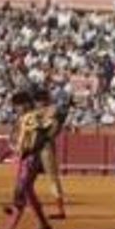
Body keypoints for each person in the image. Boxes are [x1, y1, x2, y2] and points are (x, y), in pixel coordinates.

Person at [0, 90, 53, 229]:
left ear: (25, 104)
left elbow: (40, 135)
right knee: (27, 192)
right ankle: (44, 224)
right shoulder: (27, 117)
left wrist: (30, 150)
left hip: (30, 158)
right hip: (28, 157)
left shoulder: (31, 117)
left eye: (18, 106)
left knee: (20, 190)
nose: (16, 109)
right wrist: (3, 156)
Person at [36, 87, 69, 220]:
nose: (38, 103)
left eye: (39, 101)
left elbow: (57, 123)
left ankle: (60, 210)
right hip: (39, 146)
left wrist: (48, 137)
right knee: (26, 177)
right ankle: (19, 204)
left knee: (52, 178)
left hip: (45, 146)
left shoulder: (52, 110)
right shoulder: (41, 111)